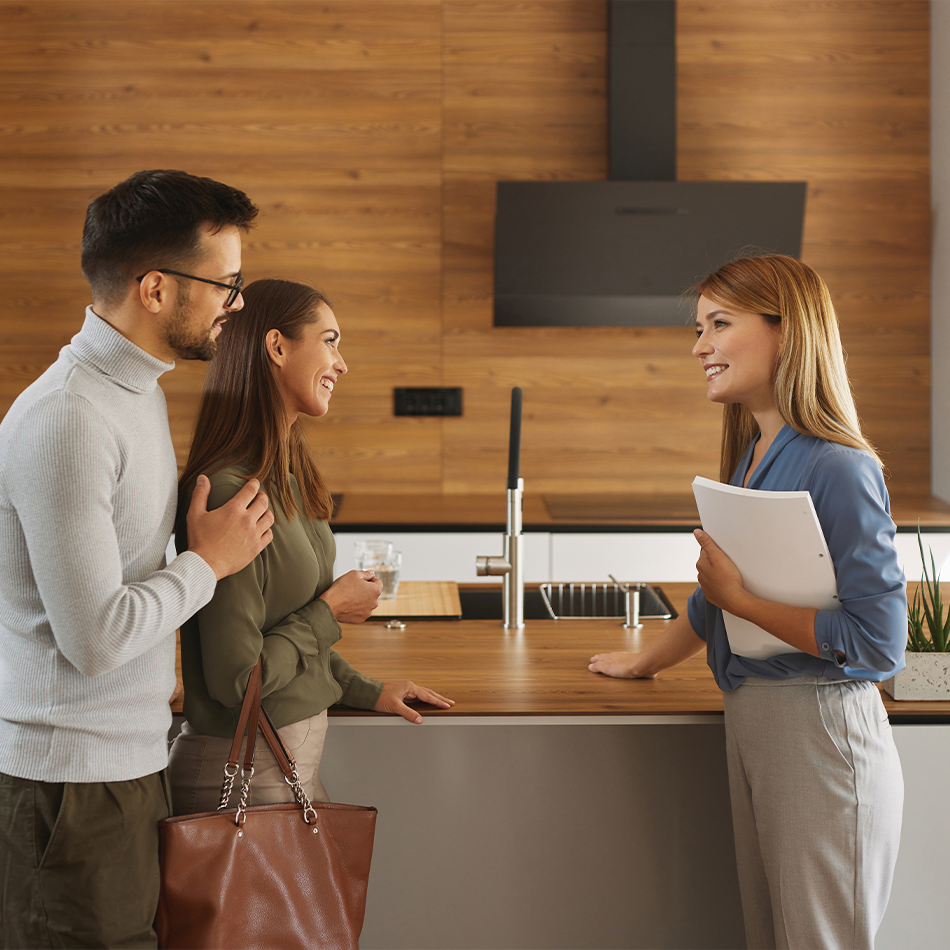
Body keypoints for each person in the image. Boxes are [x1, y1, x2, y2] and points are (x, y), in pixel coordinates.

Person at [590, 255, 906, 950]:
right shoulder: (758, 455)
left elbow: (879, 643)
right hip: (761, 726)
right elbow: (716, 603)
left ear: (786, 333)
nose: (700, 346)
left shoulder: (840, 467)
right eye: (699, 327)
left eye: (719, 324)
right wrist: (647, 662)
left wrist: (742, 598)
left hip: (820, 733)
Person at [0, 169, 277, 949]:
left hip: (122, 767)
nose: (239, 301)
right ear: (155, 289)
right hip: (69, 787)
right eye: (226, 282)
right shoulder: (69, 419)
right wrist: (208, 563)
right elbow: (94, 640)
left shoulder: (134, 390)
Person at [168, 277, 453, 815]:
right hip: (247, 772)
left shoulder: (288, 476)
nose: (341, 363)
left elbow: (291, 635)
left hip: (281, 765)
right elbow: (240, 679)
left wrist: (368, 689)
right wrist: (331, 609)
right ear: (276, 347)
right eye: (329, 340)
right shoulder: (232, 493)